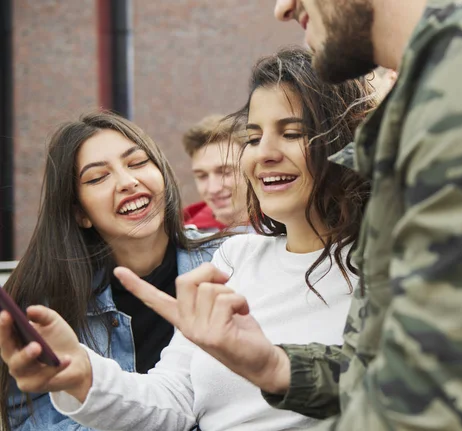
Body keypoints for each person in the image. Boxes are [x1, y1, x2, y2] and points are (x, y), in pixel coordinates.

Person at [88, 0, 462, 429]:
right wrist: (274, 366)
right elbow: (390, 375)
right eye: (253, 136)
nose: (283, 7)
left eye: (292, 133)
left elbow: (437, 399)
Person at [0, 48, 377, 431]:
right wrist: (84, 377)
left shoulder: (389, 264)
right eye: (253, 136)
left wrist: (273, 366)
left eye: (292, 133)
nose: (263, 154)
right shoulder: (235, 257)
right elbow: (176, 398)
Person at [0, 111, 220, 430]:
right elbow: (32, 421)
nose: (128, 182)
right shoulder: (45, 300)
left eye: (137, 162)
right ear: (79, 213)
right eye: (97, 178)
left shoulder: (226, 260)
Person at [182, 114, 250, 232]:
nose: (213, 189)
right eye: (202, 176)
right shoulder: (181, 238)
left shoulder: (286, 230)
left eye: (225, 173)